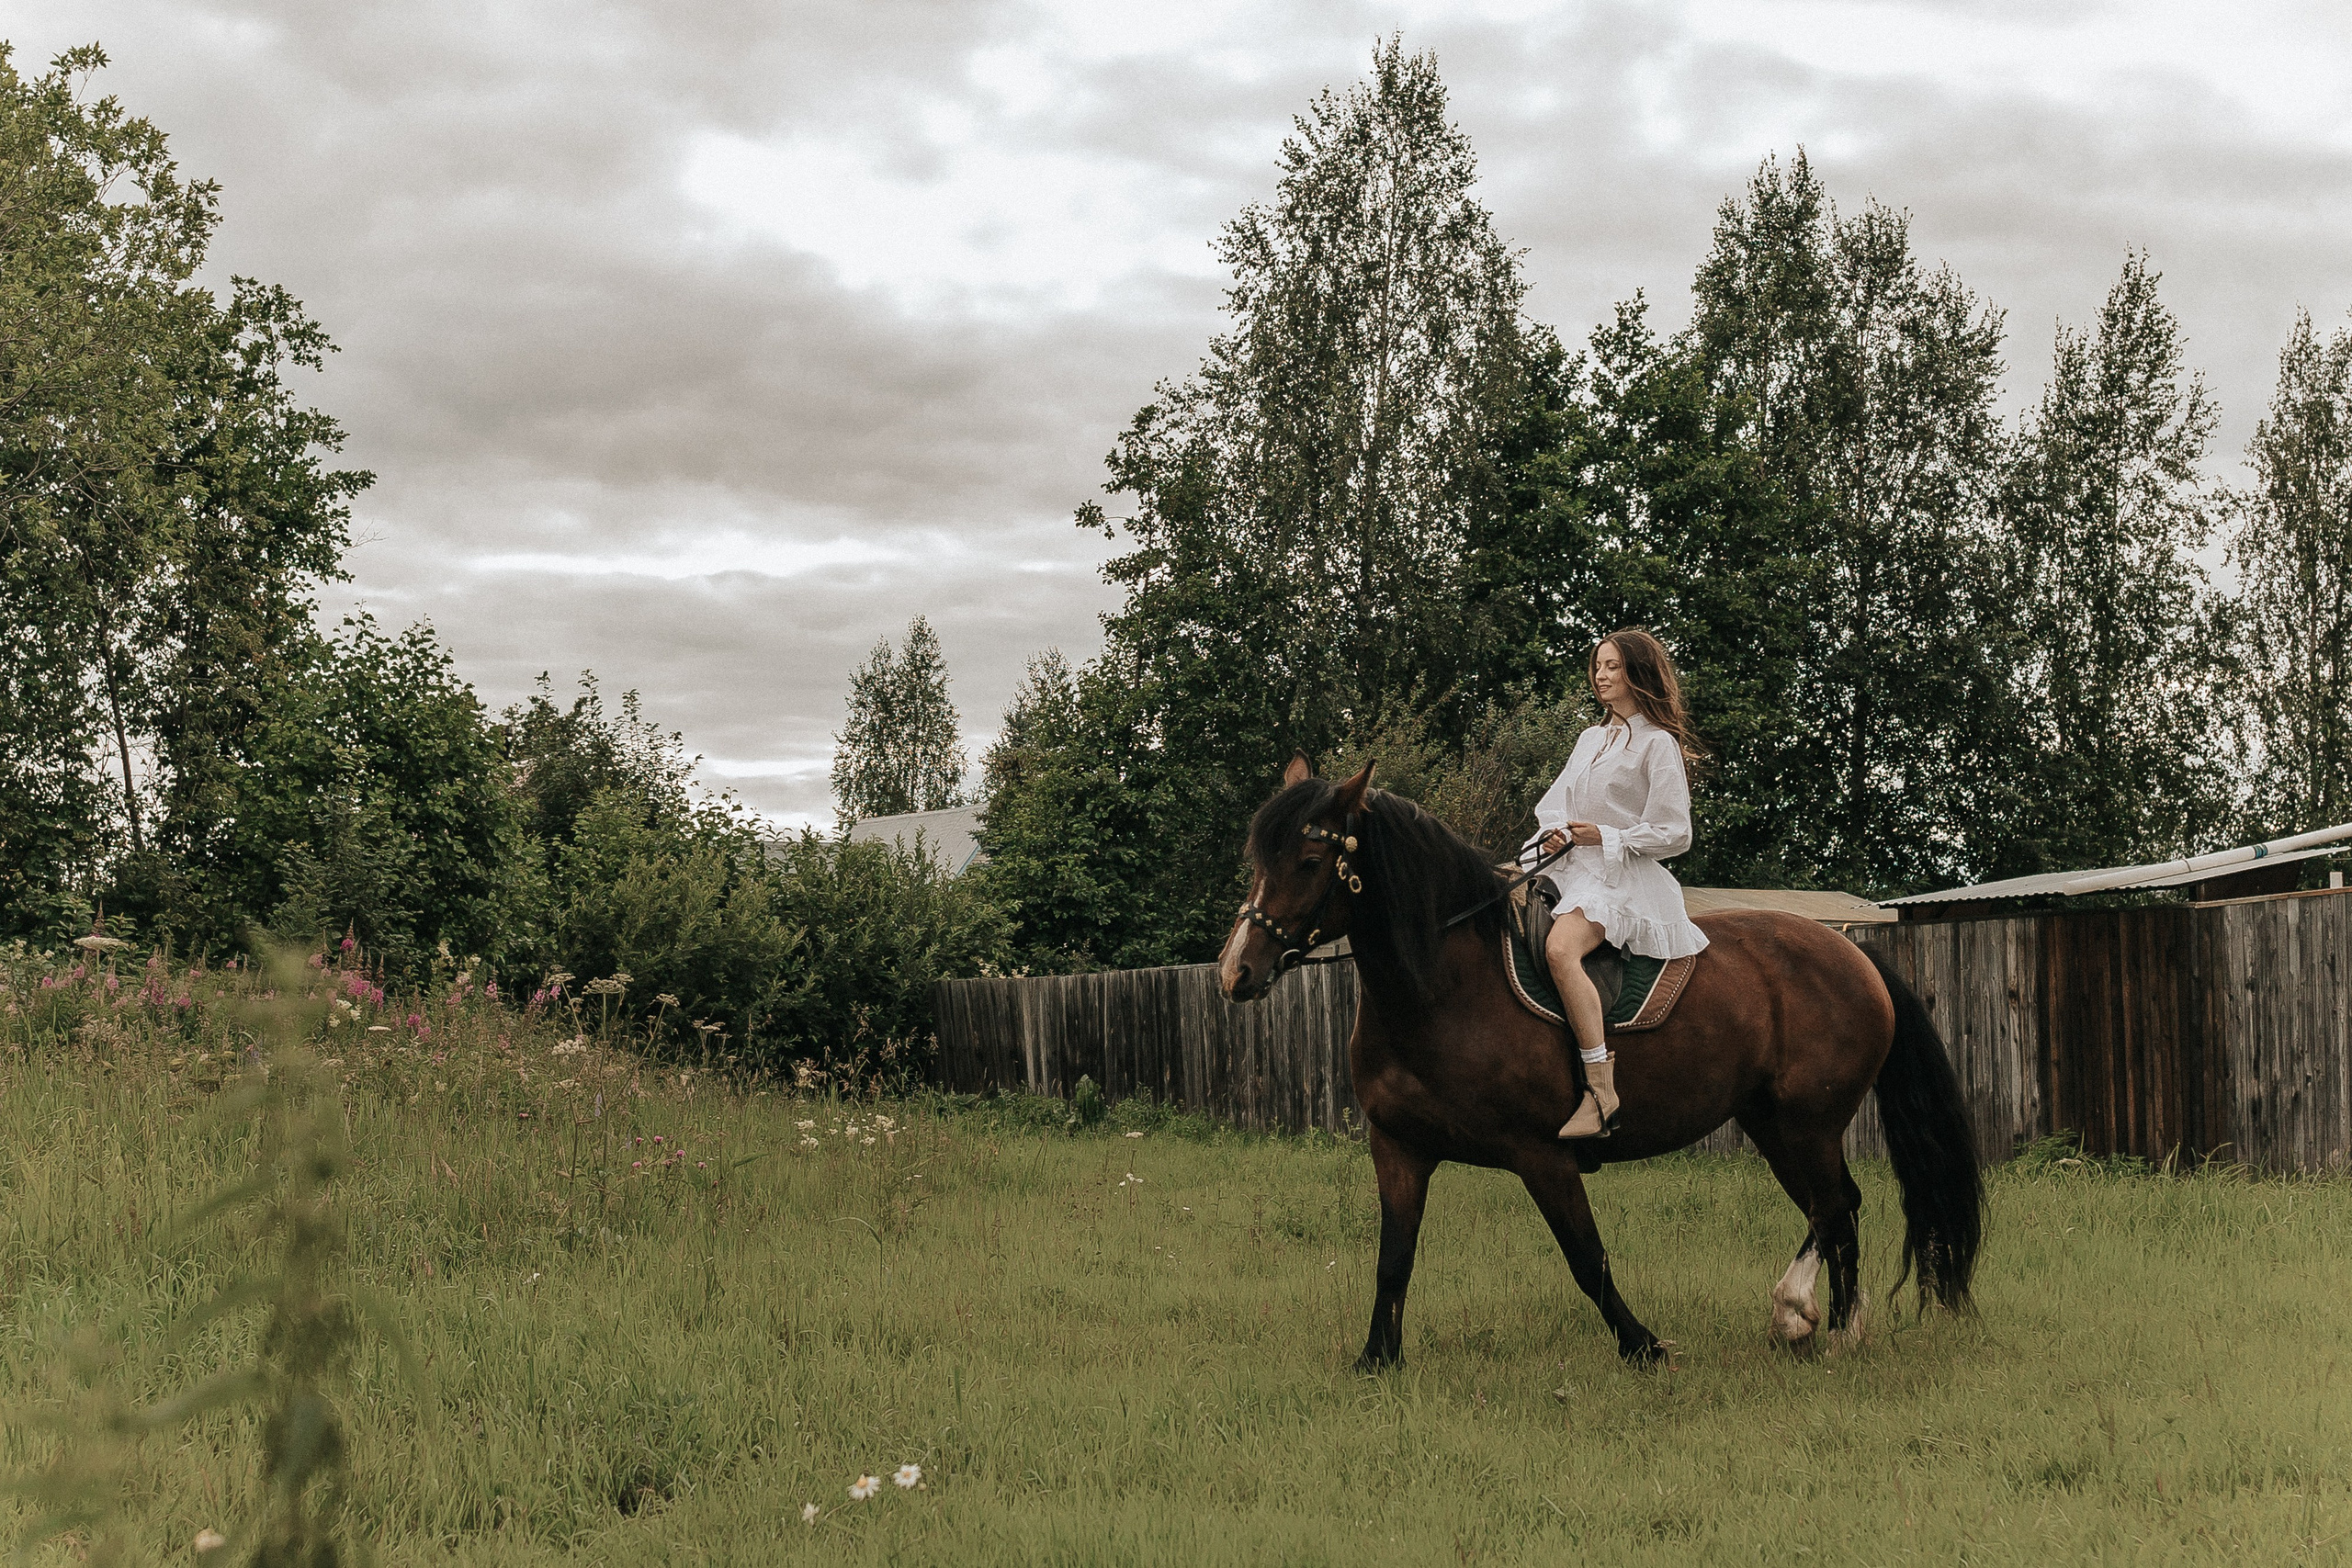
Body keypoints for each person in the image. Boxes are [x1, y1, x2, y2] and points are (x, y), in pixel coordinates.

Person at [1526, 628, 1709, 1139]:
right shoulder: (1590, 738)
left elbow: (1676, 833)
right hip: (1569, 865)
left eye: (1613, 667)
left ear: (1638, 674)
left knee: (1562, 951)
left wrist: (1604, 836)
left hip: (1620, 877)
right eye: (1598, 667)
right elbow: (1556, 801)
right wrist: (1553, 833)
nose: (1601, 677)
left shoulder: (1659, 744)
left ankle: (1601, 1091)